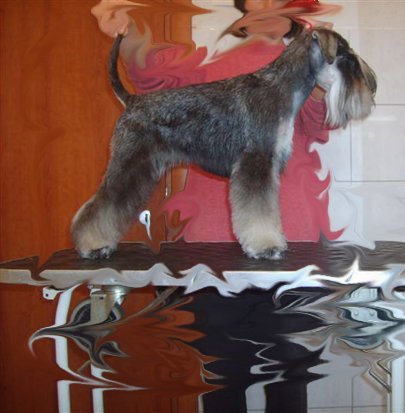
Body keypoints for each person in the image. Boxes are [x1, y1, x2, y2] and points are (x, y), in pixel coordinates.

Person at [93, 0, 343, 246]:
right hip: (211, 233)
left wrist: (320, 71)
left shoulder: (307, 66)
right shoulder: (206, 64)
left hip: (296, 230)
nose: (269, 3)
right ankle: (94, 234)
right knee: (123, 180)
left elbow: (321, 122)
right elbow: (151, 79)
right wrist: (128, 31)